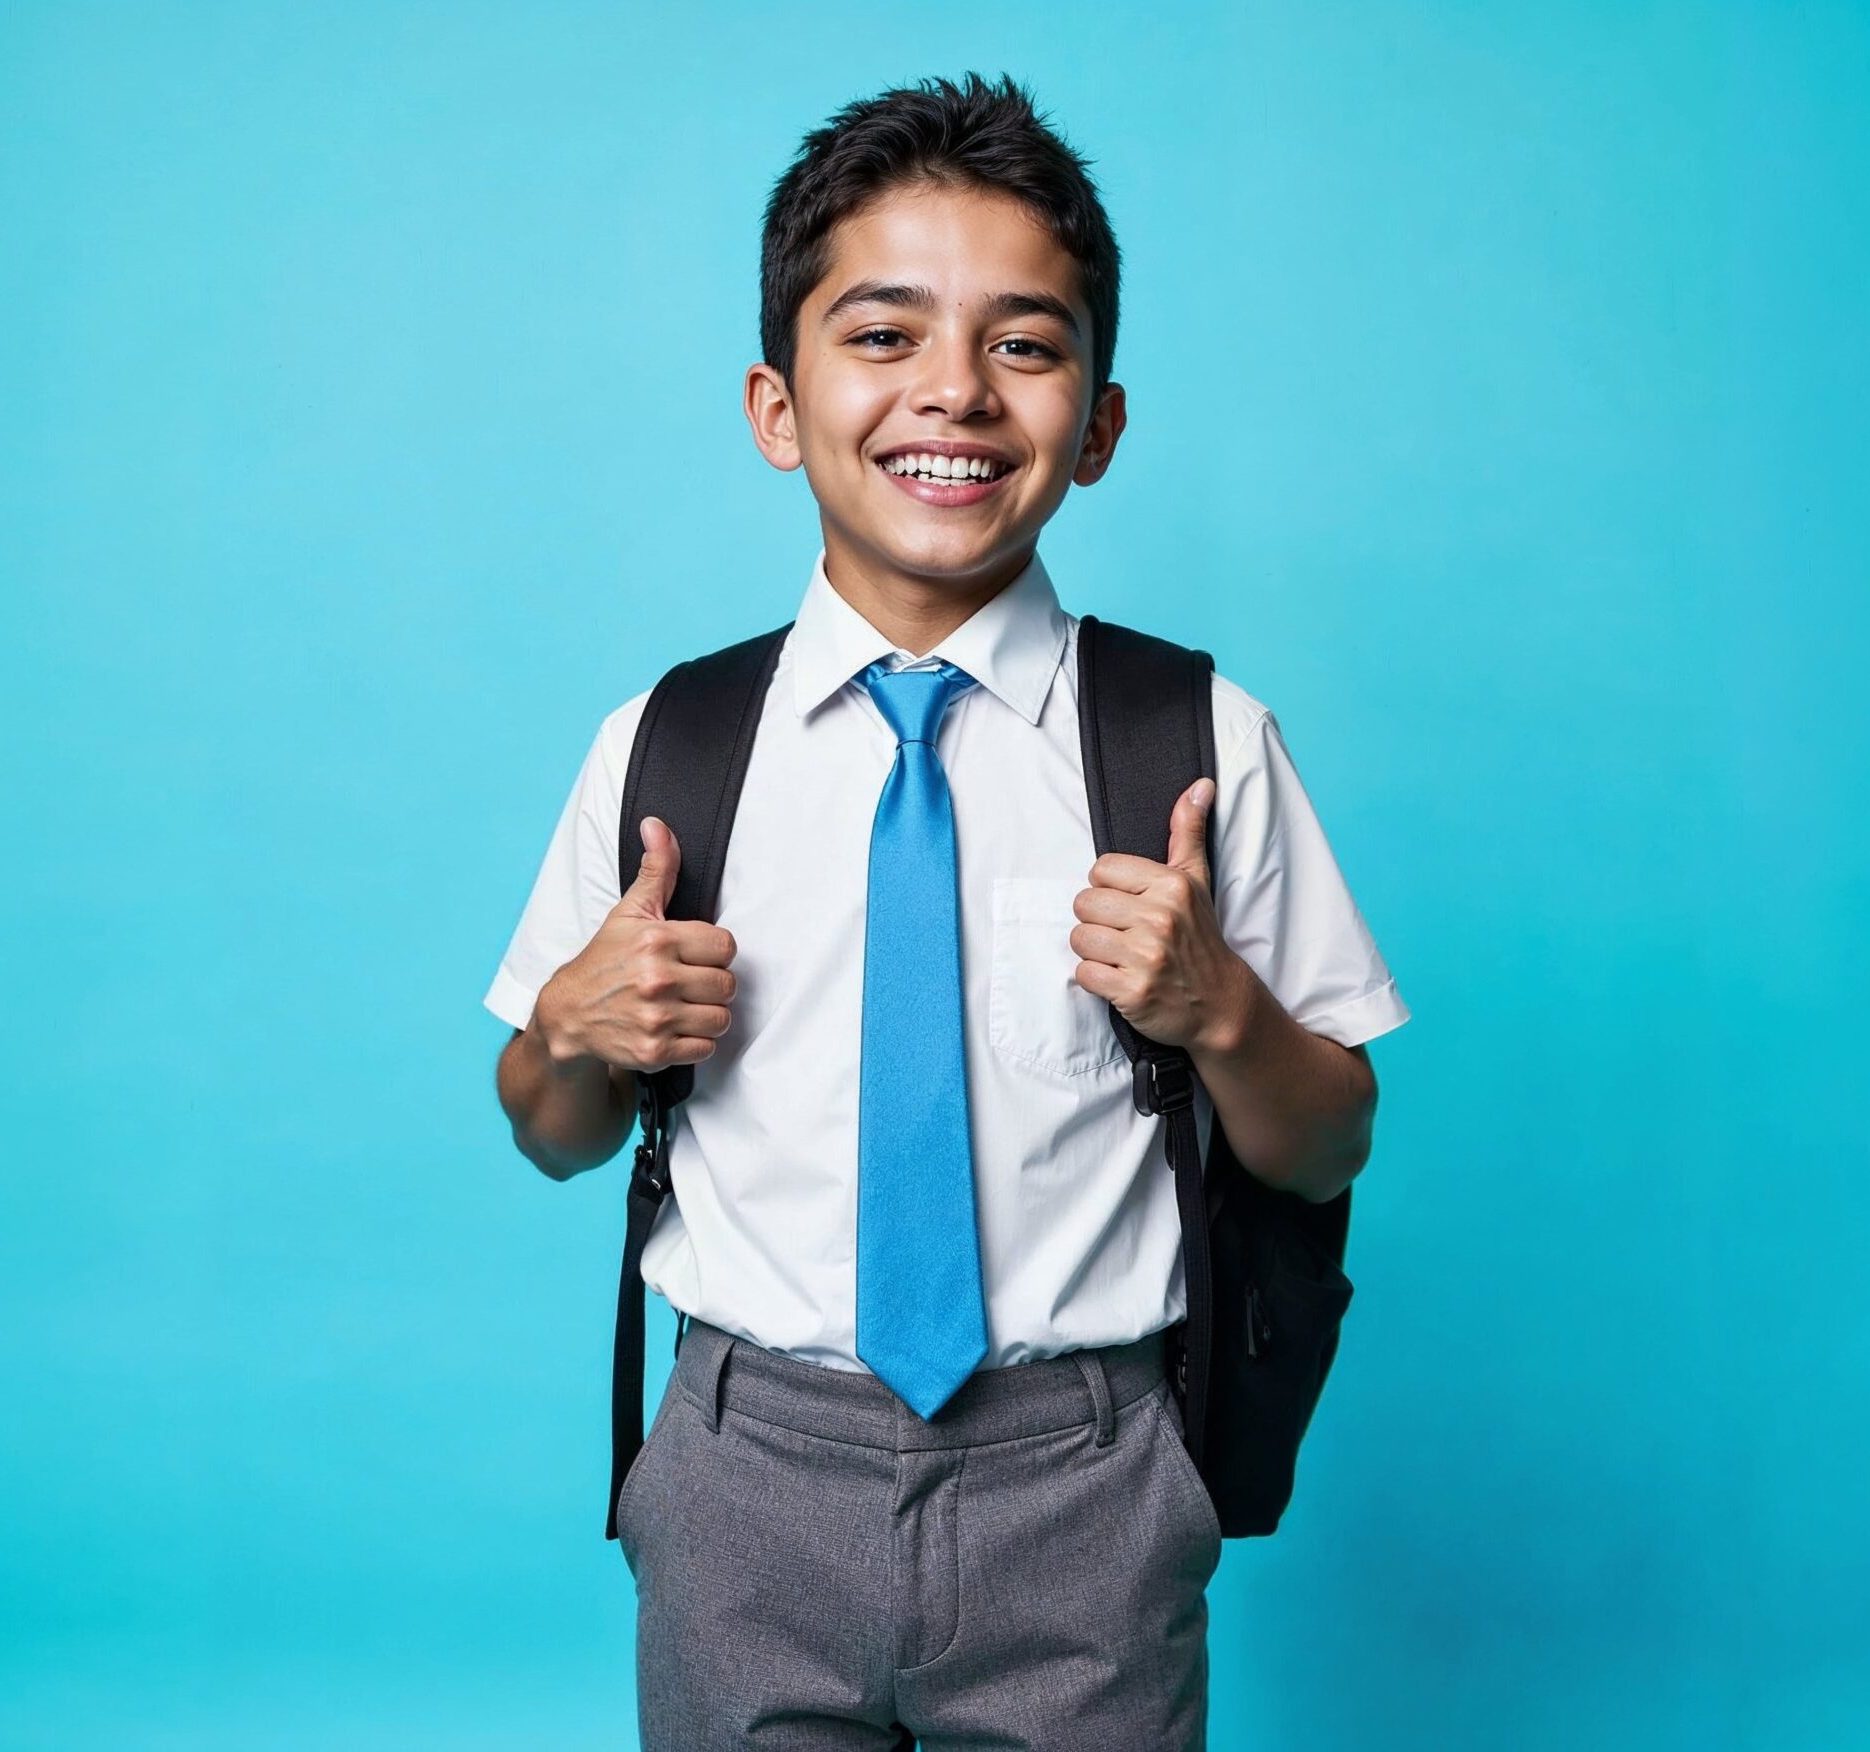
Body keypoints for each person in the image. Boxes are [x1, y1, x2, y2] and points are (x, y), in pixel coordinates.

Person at [484, 70, 1409, 1752]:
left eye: (1024, 344)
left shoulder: (1196, 743)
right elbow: (553, 1135)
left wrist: (1219, 1010)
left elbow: (1330, 1138)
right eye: (884, 334)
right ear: (779, 406)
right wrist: (571, 1030)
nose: (956, 391)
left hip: (1085, 1480)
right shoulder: (670, 746)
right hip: (750, 1472)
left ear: (1099, 426)